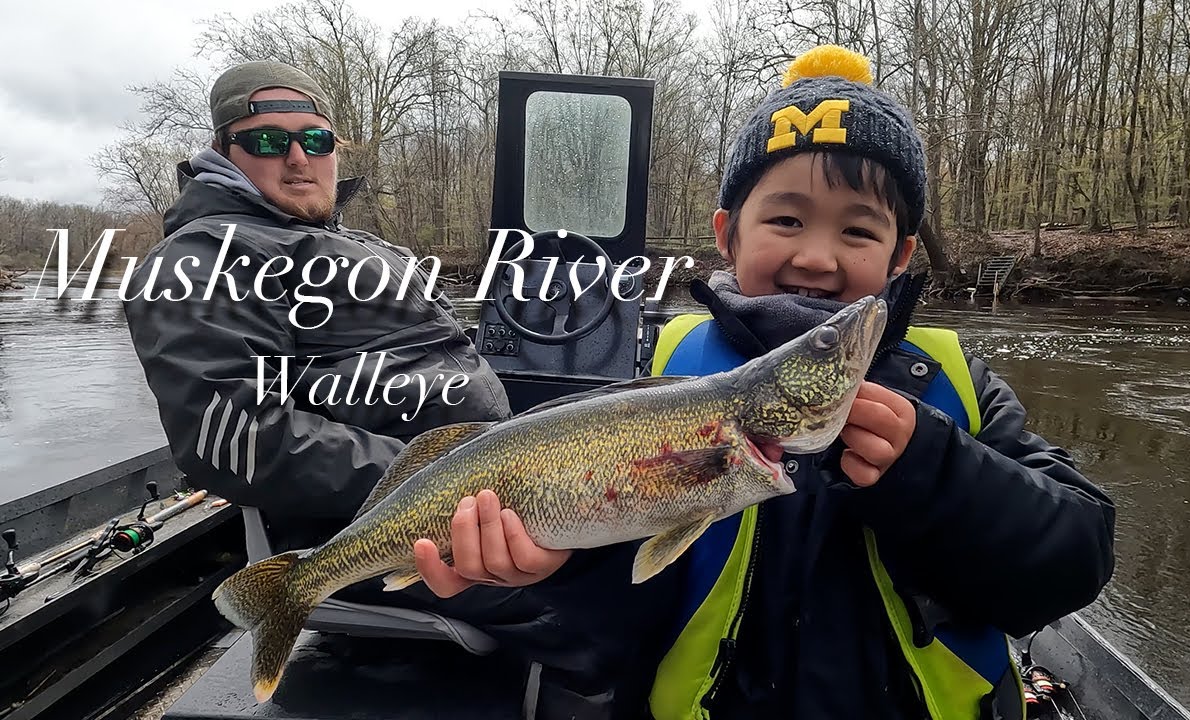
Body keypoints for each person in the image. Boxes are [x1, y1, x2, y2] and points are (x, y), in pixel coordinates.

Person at [423, 45, 1116, 719]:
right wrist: (563, 568)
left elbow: (1076, 561)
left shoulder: (955, 388)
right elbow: (616, 631)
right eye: (786, 220)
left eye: (858, 231)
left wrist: (935, 475)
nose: (817, 257)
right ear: (728, 234)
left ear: (900, 256)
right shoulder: (657, 372)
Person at [122, 61, 670, 717]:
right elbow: (234, 436)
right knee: (625, 592)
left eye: (317, 140)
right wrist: (447, 482)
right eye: (269, 141)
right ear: (222, 153)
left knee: (663, 494)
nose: (299, 159)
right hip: (393, 525)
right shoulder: (203, 260)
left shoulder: (348, 244)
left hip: (482, 482)